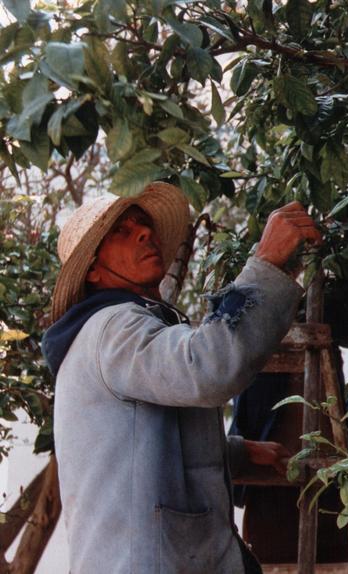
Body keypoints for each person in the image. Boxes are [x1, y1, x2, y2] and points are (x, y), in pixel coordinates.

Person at [41, 182, 321, 573]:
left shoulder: (115, 329)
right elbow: (207, 369)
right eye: (121, 231)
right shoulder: (113, 327)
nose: (144, 232)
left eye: (143, 225)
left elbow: (137, 448)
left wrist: (238, 452)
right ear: (92, 270)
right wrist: (265, 263)